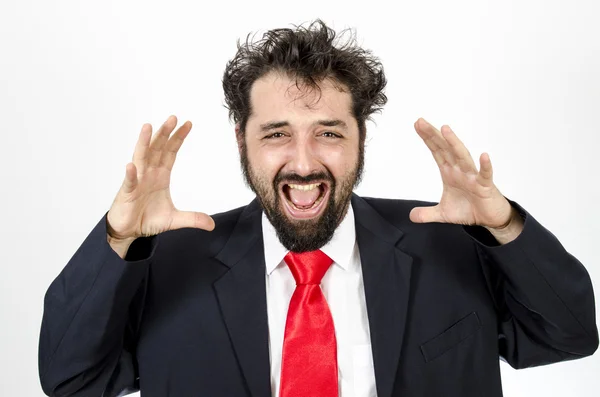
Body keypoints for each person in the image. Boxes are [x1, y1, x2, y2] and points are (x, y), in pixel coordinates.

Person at [38, 20, 598, 397]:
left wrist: (502, 227)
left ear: (360, 138)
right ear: (242, 140)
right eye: (277, 133)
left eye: (328, 132)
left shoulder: (450, 241)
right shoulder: (167, 264)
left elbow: (570, 334)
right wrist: (118, 241)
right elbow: (70, 378)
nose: (303, 163)